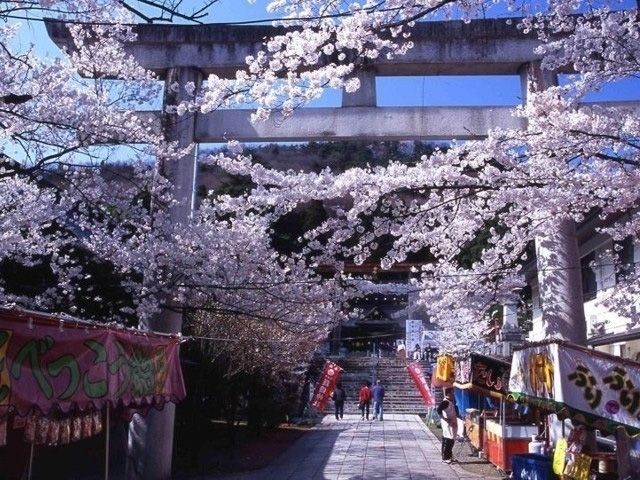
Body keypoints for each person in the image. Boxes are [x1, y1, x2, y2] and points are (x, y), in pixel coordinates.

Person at [436, 387, 458, 464]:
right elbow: (438, 410)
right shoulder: (445, 402)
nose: (454, 394)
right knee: (448, 439)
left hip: (452, 423)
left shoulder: (450, 402)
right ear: (449, 394)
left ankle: (449, 456)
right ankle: (445, 457)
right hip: (448, 424)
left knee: (451, 440)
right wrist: (445, 419)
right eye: (453, 393)